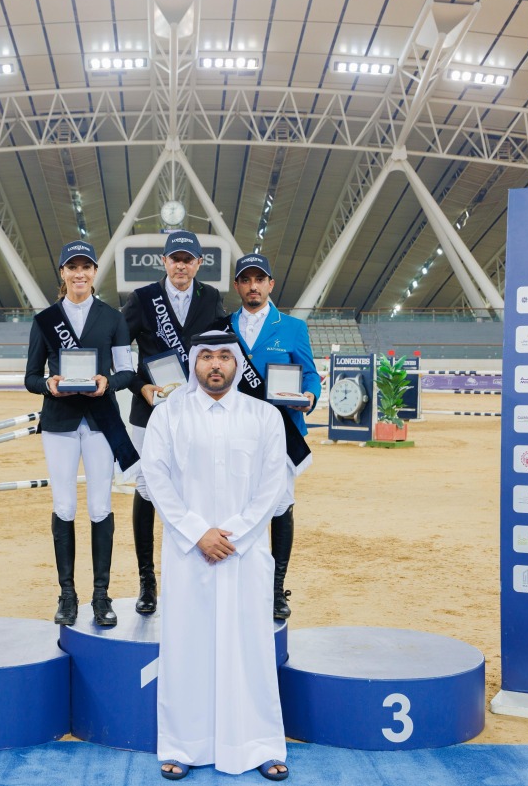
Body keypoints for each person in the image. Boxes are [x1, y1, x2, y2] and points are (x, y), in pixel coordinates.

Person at [141, 331, 290, 781]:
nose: (216, 365)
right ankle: (183, 745)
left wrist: (236, 537)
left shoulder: (265, 416)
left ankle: (260, 743)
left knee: (252, 650)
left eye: (225, 356)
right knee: (187, 648)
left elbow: (273, 487)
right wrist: (198, 533)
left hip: (245, 556)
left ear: (238, 364)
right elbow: (156, 478)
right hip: (190, 555)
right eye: (206, 357)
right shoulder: (169, 415)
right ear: (194, 365)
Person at [24, 240, 139, 628]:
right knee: (65, 507)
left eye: (86, 267)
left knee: (100, 506)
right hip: (59, 421)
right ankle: (67, 595)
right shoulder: (45, 320)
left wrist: (108, 382)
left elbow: (127, 372)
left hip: (101, 422)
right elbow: (29, 376)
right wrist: (48, 384)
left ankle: (101, 596)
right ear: (62, 273)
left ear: (94, 273)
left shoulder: (112, 318)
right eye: (72, 267)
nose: (79, 274)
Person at [121, 229, 227, 615]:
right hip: (150, 410)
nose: (181, 265)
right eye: (174, 258)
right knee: (148, 490)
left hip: (195, 411)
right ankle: (147, 582)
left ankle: (189, 580)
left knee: (193, 489)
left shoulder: (212, 298)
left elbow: (221, 351)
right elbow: (119, 352)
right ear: (164, 262)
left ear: (199, 263)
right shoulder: (143, 299)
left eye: (188, 259)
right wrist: (141, 387)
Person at [228, 253, 320, 621]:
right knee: (237, 504)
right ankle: (239, 582)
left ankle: (276, 588)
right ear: (237, 285)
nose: (253, 286)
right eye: (245, 279)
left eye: (259, 279)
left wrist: (310, 396)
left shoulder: (294, 327)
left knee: (280, 506)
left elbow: (310, 374)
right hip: (234, 431)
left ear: (270, 284)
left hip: (281, 431)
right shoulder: (224, 326)